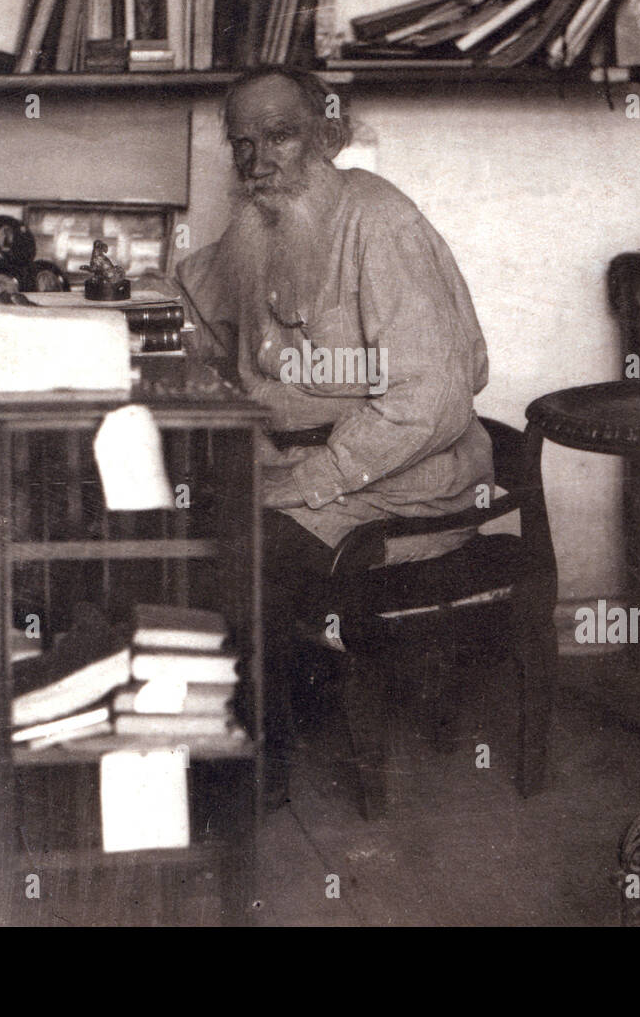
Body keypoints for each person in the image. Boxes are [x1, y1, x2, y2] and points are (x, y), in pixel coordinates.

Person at [175, 66, 493, 805]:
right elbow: (196, 302)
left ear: (327, 134)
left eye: (280, 137)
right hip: (300, 467)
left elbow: (431, 401)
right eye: (242, 144)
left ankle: (251, 782)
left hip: (395, 484)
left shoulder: (382, 224)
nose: (258, 163)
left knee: (241, 561)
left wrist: (309, 481)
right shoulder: (264, 220)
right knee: (168, 528)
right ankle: (206, 747)